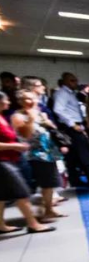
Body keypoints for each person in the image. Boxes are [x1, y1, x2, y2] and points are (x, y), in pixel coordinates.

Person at [0, 91, 55, 234]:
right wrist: (15, 146)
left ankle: (0, 224)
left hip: (10, 159)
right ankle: (33, 224)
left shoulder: (2, 117)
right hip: (3, 161)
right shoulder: (15, 116)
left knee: (2, 195)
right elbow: (24, 134)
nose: (9, 102)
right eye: (6, 100)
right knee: (21, 192)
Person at [11, 89, 67, 219]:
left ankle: (49, 209)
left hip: (48, 152)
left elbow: (52, 129)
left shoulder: (39, 113)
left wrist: (47, 122)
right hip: (34, 155)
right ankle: (40, 212)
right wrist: (31, 119)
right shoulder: (17, 116)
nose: (32, 101)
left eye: (34, 98)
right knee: (42, 184)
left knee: (50, 184)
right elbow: (26, 135)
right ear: (20, 101)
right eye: (28, 98)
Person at [53, 72, 89, 187]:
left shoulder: (72, 93)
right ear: (65, 81)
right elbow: (58, 109)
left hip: (76, 125)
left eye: (76, 80)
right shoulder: (62, 93)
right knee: (85, 155)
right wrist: (72, 124)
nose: (75, 83)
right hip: (72, 127)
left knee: (73, 156)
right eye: (72, 80)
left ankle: (75, 180)